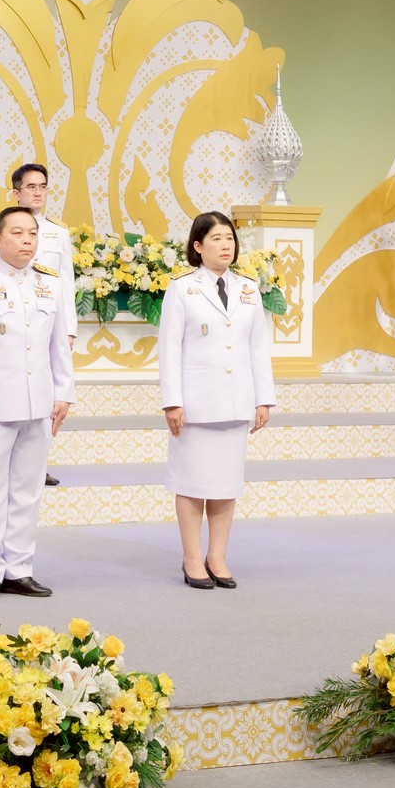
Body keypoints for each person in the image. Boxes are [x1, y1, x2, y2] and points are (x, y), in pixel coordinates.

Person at [0, 205, 75, 601]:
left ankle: (19, 568)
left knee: (27, 490)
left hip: (39, 401)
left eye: (33, 234)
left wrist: (63, 392)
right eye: (18, 233)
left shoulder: (50, 282)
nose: (27, 241)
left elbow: (59, 345)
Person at [158, 210, 275, 587]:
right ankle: (192, 558)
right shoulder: (182, 288)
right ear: (198, 246)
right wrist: (172, 401)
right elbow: (169, 349)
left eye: (229, 238)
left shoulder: (248, 288)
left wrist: (263, 398)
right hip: (195, 404)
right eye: (216, 239)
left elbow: (258, 347)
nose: (226, 245)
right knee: (192, 484)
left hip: (236, 401)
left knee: (226, 485)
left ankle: (217, 556)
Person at [11, 162, 74, 487]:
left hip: (47, 324)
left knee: (47, 394)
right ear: (16, 193)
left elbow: (66, 283)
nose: (38, 192)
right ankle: (9, 459)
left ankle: (38, 464)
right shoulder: (0, 228)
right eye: (31, 187)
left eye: (43, 186)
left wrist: (69, 329)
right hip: (11, 322)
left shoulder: (58, 232)